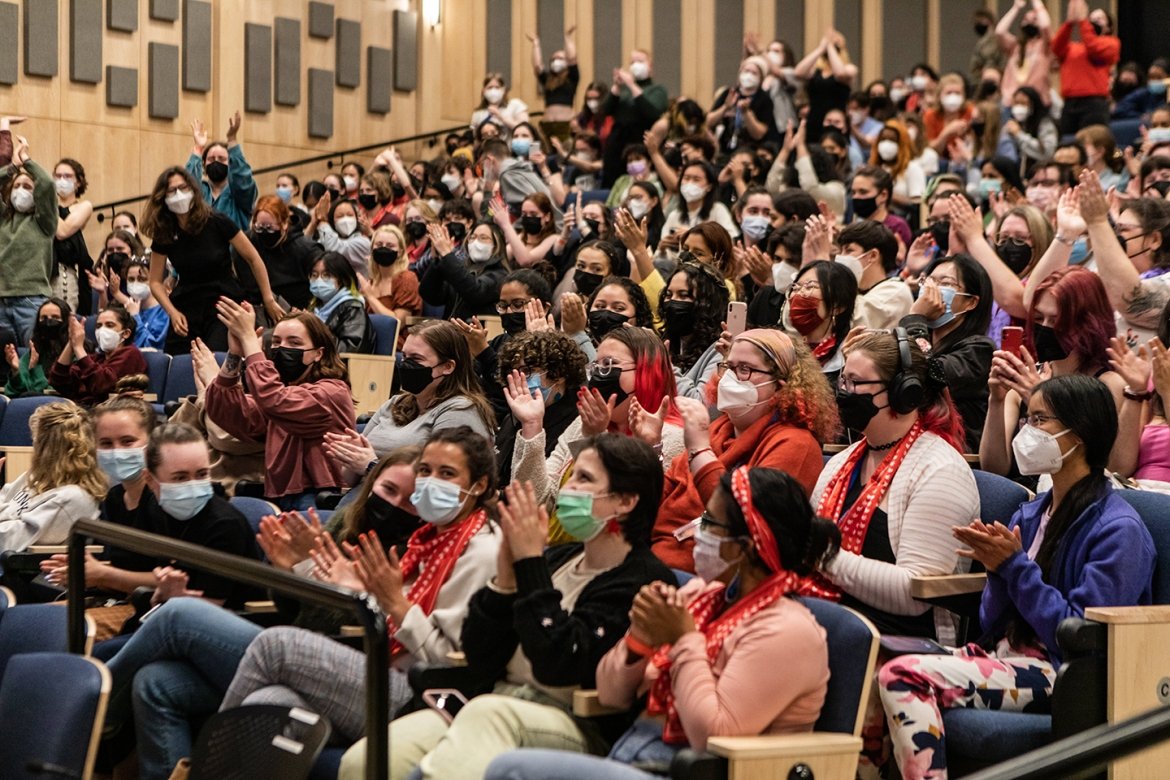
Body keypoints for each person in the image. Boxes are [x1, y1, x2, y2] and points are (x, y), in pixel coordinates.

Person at [345, 434, 674, 780]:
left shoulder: (644, 579)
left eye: (584, 479)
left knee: (485, 717)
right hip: (495, 699)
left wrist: (530, 563)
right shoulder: (560, 558)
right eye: (572, 475)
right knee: (366, 761)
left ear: (625, 501)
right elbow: (480, 653)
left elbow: (559, 664)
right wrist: (504, 580)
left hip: (573, 722)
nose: (568, 488)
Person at [483, 466, 841, 780]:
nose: (697, 531)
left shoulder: (788, 630)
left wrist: (684, 639)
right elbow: (609, 693)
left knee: (510, 771)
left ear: (744, 546)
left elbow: (711, 735)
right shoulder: (702, 597)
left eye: (709, 522)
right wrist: (638, 641)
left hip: (691, 770)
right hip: (633, 751)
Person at [878, 374, 1155, 780]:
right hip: (1006, 655)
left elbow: (1075, 637)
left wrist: (1014, 567)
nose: (1026, 431)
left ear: (1080, 432)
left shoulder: (1119, 530)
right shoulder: (1030, 513)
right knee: (877, 658)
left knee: (902, 676)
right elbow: (991, 624)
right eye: (1027, 418)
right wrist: (996, 573)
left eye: (1040, 420)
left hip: (1064, 673)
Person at [216, 426, 500, 743]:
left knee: (275, 645)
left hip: (420, 695)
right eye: (425, 470)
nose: (431, 482)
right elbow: (384, 614)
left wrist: (389, 601)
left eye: (447, 473)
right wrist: (355, 589)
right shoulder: (429, 539)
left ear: (480, 485)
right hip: (378, 666)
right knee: (268, 705)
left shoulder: (482, 551)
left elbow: (448, 660)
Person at [811, 330, 976, 637]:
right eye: (843, 381)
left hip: (900, 641)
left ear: (904, 393)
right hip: (830, 619)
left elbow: (913, 593)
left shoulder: (940, 471)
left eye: (856, 383)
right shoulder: (841, 462)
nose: (844, 392)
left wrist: (821, 557)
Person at [652, 329, 836, 569]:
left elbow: (749, 525)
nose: (730, 378)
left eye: (745, 369)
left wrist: (699, 451)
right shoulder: (719, 428)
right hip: (660, 554)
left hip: (716, 576)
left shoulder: (796, 445)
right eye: (728, 367)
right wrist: (651, 445)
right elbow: (658, 498)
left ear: (781, 386)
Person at [507, 327, 683, 514]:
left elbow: (629, 513)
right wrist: (532, 425)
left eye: (609, 365)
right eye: (596, 367)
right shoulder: (581, 424)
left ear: (646, 373)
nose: (600, 375)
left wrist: (595, 439)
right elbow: (535, 503)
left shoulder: (673, 438)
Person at [203, 305, 355, 511]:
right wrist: (235, 354)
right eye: (275, 342)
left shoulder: (332, 392)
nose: (282, 348)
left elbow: (275, 399)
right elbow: (228, 413)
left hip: (319, 498)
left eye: (294, 342)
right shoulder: (284, 393)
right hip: (279, 496)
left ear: (318, 354)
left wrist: (249, 341)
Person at [980, 266, 1124, 477]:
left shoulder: (1109, 384)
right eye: (1038, 319)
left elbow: (1108, 468)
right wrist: (996, 400)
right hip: (1022, 500)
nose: (1045, 328)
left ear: (1087, 323)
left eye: (1056, 320)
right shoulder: (1025, 381)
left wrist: (1041, 401)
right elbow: (994, 468)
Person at [327, 320, 495, 484]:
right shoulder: (395, 403)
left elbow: (441, 484)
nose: (406, 365)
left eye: (416, 359)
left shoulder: (461, 411)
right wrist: (351, 455)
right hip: (359, 500)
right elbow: (348, 479)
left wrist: (371, 466)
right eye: (404, 356)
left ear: (448, 366)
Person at [140, 166, 282, 353]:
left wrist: (268, 298)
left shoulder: (217, 220)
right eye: (172, 191)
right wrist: (172, 312)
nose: (179, 194)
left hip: (223, 303)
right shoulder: (165, 231)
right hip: (186, 305)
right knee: (177, 360)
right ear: (162, 197)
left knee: (216, 359)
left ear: (193, 189)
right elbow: (155, 282)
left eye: (183, 188)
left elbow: (254, 259)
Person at [901, 253, 995, 453]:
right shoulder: (921, 337)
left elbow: (928, 376)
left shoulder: (980, 350)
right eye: (930, 281)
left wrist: (916, 318)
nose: (931, 290)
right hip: (911, 450)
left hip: (954, 457)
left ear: (971, 302)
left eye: (945, 283)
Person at [0, 401, 103, 552]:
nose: (33, 449)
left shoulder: (73, 498)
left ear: (46, 450)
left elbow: (8, 542)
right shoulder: (35, 477)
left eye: (35, 442)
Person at [495, 330, 585, 488]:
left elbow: (552, 491)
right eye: (513, 372)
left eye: (527, 371)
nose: (518, 379)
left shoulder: (578, 424)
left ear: (558, 374)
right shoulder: (512, 418)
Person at [0, 125, 55, 345]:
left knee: (34, 356)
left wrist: (27, 161)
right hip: (1, 299)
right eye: (17, 186)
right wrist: (12, 168)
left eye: (28, 187)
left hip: (31, 300)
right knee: (5, 363)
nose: (22, 191)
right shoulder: (3, 218)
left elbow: (48, 184)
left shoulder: (44, 221)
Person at [236, 194, 323, 313]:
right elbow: (250, 287)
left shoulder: (305, 249)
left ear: (284, 224)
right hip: (260, 310)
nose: (264, 232)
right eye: (259, 227)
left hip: (299, 311)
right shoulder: (247, 244)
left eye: (270, 228)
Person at [597, 50, 670, 188]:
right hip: (618, 141)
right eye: (632, 62)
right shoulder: (623, 91)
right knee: (613, 181)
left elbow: (652, 112)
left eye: (640, 61)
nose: (636, 65)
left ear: (650, 66)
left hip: (641, 139)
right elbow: (605, 110)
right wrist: (617, 86)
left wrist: (631, 84)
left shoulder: (657, 90)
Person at [49, 305, 147, 406]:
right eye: (98, 326)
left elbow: (101, 386)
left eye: (109, 325)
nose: (102, 330)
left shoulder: (131, 354)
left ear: (126, 333)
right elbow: (58, 381)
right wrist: (71, 342)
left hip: (107, 413)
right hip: (79, 409)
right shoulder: (97, 358)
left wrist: (79, 348)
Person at [659, 260, 730, 394]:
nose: (672, 301)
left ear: (707, 304)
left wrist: (665, 366)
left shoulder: (721, 350)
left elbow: (703, 406)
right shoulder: (667, 340)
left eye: (683, 295)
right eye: (668, 295)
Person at [783, 260, 858, 385]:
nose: (798, 295)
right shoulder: (783, 349)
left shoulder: (847, 356)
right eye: (795, 287)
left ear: (838, 306)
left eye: (810, 286)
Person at [1052, 0, 1120, 136]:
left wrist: (1083, 21)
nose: (1094, 21)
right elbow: (1056, 47)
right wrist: (1069, 23)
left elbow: (1093, 47)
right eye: (1092, 18)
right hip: (1070, 103)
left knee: (1092, 141)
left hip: (1094, 103)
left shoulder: (1111, 43)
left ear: (1108, 26)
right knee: (1067, 142)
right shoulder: (1074, 47)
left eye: (1100, 18)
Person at [419, 221, 508, 321]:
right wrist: (438, 259)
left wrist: (447, 254)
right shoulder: (461, 270)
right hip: (451, 331)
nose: (476, 242)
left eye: (483, 238)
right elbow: (430, 295)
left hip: (478, 333)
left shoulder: (501, 275)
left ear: (496, 245)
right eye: (472, 237)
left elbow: (475, 292)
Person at [186, 112, 258, 232]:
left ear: (231, 163)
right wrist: (198, 149)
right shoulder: (200, 190)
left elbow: (243, 180)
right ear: (203, 164)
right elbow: (187, 185)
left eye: (222, 159)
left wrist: (232, 140)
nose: (216, 162)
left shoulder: (239, 194)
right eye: (211, 159)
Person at [836, 220, 913, 330]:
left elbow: (854, 323)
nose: (841, 257)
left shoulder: (895, 291)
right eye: (840, 251)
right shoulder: (855, 289)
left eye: (849, 250)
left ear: (872, 255)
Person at [792, 29, 857, 144]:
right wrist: (820, 49)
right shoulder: (816, 71)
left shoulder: (849, 68)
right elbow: (798, 72)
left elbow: (840, 73)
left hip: (835, 121)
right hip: (815, 119)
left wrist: (831, 46)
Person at [707, 56, 779, 155]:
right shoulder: (729, 93)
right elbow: (708, 122)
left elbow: (759, 134)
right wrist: (725, 107)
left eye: (754, 73)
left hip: (751, 152)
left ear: (761, 78)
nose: (749, 75)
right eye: (746, 71)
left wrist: (746, 113)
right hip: (725, 149)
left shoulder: (764, 99)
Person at [307, 252, 374, 354]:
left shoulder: (353, 309)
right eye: (314, 275)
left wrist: (315, 328)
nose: (319, 280)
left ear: (341, 279)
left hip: (340, 367)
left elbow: (350, 349)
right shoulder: (315, 308)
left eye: (326, 275)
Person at [51, 157, 94, 314]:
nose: (62, 180)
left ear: (78, 182)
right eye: (58, 176)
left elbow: (62, 232)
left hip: (63, 275)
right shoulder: (49, 206)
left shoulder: (83, 206)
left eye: (68, 176)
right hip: (42, 272)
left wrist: (45, 203)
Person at [5, 297, 69, 397]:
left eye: (55, 317)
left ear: (66, 321)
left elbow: (52, 391)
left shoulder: (73, 351)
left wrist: (34, 369)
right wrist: (16, 371)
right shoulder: (35, 351)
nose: (48, 322)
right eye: (43, 318)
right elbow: (12, 392)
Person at [996, 0, 1053, 108]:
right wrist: (1016, 7)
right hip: (1011, 102)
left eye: (1035, 19)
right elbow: (999, 31)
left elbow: (1045, 25)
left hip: (1036, 103)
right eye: (1026, 19)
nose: (1030, 21)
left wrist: (1036, 3)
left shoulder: (1045, 46)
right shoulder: (1015, 46)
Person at [362, 225, 423, 321]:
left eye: (390, 246)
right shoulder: (373, 281)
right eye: (379, 244)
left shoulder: (407, 279)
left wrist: (370, 297)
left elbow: (397, 322)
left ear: (400, 252)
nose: (383, 248)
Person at [849, 166, 911, 255]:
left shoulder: (897, 227)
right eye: (853, 192)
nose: (856, 197)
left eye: (863, 192)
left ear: (883, 195)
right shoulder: (855, 227)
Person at [307, 193, 372, 278]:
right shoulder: (326, 239)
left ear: (356, 219)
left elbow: (335, 250)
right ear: (332, 222)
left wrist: (322, 220)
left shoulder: (363, 242)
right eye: (340, 216)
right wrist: (313, 224)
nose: (346, 219)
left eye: (350, 215)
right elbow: (304, 248)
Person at [998, 85, 1058, 174]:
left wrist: (1019, 134)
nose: (1019, 107)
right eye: (1016, 103)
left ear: (1033, 104)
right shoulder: (1011, 124)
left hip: (1041, 172)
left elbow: (1047, 152)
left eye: (1023, 103)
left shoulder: (1045, 124)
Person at [870, 120, 925, 210]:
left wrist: (888, 195)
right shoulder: (873, 169)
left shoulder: (913, 168)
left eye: (892, 140)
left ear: (901, 144)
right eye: (883, 139)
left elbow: (917, 205)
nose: (886, 144)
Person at [529, 26, 580, 123]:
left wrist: (567, 38)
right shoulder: (548, 79)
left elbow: (572, 58)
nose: (556, 61)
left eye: (560, 58)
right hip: (548, 124)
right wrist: (536, 44)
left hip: (565, 124)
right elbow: (537, 66)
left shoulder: (572, 77)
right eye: (553, 59)